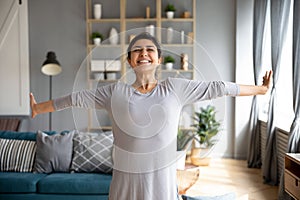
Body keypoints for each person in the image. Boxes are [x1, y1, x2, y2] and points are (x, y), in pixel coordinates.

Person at [30, 32, 272, 200]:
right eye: (137, 50)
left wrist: (259, 90)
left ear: (158, 58)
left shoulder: (175, 88)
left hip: (161, 185)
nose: (143, 53)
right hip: (125, 184)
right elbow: (75, 98)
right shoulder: (115, 92)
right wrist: (39, 108)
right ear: (129, 60)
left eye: (149, 49)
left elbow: (217, 87)